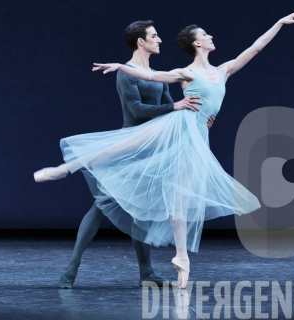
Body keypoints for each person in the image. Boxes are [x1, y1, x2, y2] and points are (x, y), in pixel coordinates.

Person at [36, 9, 294, 288]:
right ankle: (64, 170)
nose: (159, 39)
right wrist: (121, 67)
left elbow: (255, 48)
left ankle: (165, 265)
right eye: (154, 36)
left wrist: (279, 23)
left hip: (183, 132)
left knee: (168, 200)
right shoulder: (166, 73)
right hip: (155, 130)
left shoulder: (219, 70)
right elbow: (144, 100)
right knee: (107, 186)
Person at [37, 20, 215, 289]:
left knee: (140, 212)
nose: (160, 40)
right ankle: (71, 269)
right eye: (154, 36)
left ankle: (147, 273)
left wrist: (194, 115)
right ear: (140, 42)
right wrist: (176, 106)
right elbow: (137, 110)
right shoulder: (127, 73)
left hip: (154, 149)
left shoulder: (154, 73)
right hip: (130, 146)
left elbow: (171, 108)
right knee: (101, 206)